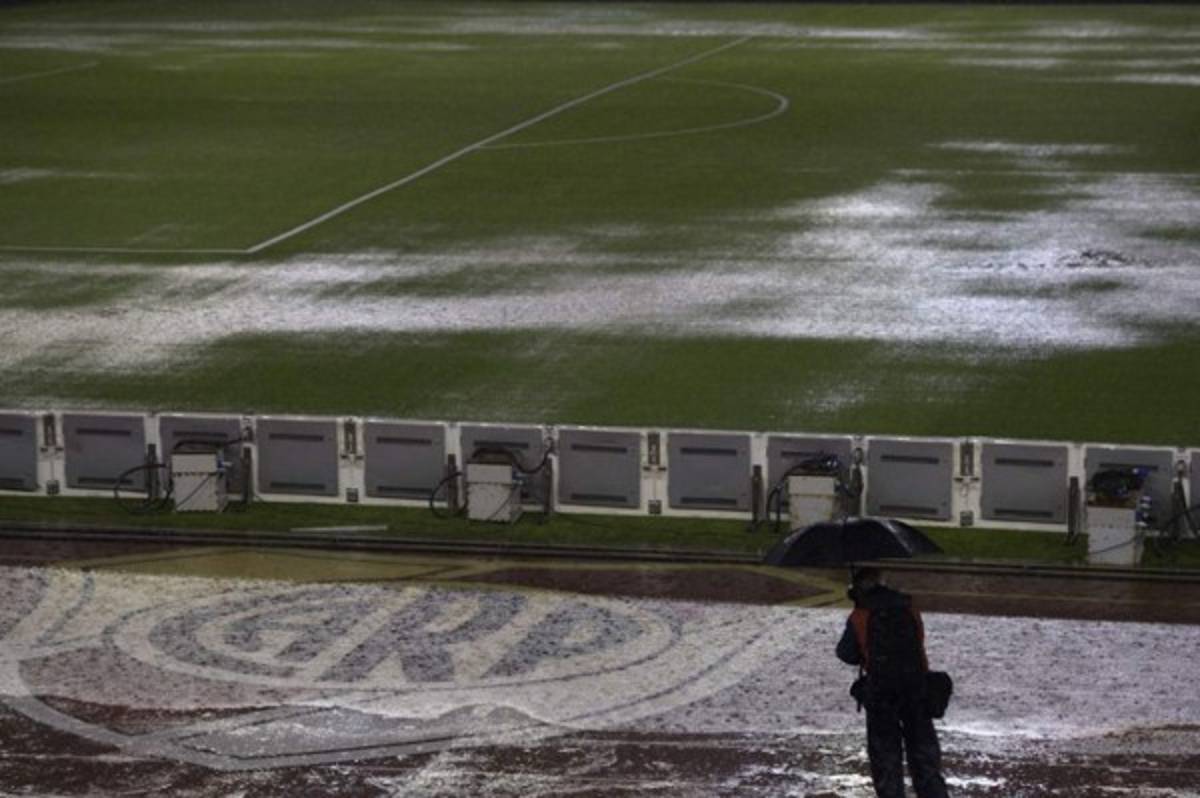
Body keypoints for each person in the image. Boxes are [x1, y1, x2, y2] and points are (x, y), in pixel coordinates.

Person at [836, 567, 949, 798]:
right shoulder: (909, 608)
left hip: (881, 691)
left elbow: (846, 653)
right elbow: (918, 641)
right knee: (923, 752)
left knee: (885, 756)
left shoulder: (860, 615)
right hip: (916, 687)